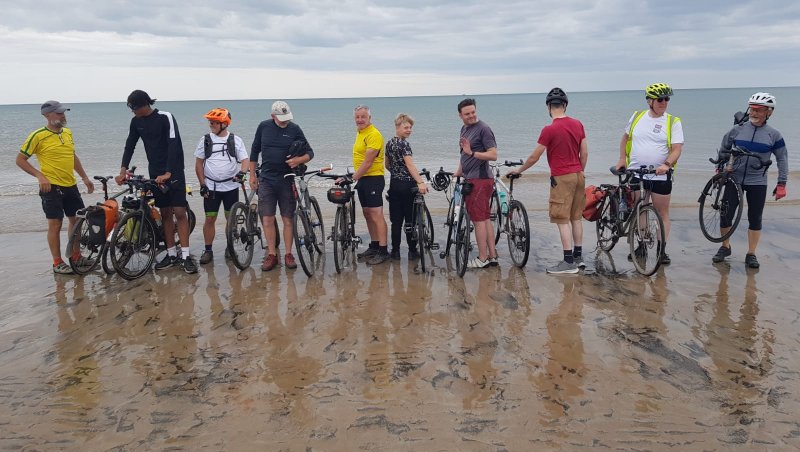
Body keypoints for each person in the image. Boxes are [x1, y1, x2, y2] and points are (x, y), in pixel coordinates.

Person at [115, 90, 197, 274]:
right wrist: (122, 170)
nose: (132, 111)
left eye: (133, 107)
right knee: (165, 213)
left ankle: (185, 256)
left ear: (144, 104)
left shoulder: (165, 117)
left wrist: (169, 171)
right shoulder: (136, 122)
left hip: (174, 171)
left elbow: (173, 144)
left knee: (180, 212)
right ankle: (170, 253)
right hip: (155, 171)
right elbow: (130, 144)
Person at [509, 88, 588, 274]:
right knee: (576, 218)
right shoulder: (578, 124)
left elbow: (534, 157)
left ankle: (568, 262)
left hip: (561, 177)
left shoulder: (549, 129)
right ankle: (578, 257)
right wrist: (580, 170)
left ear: (548, 107)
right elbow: (584, 153)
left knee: (562, 219)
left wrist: (519, 170)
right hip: (578, 175)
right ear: (565, 105)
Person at [16, 101, 95, 274]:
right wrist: (40, 176)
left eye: (63, 112)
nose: (63, 115)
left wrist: (84, 177)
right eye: (58, 113)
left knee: (76, 222)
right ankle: (57, 262)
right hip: (51, 187)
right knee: (55, 224)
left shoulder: (67, 133)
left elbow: (72, 156)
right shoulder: (37, 135)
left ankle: (76, 257)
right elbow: (20, 160)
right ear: (47, 115)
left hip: (70, 185)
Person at [711, 92, 788, 268]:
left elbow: (782, 159)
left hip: (757, 181)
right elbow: (724, 148)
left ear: (769, 112)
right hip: (733, 178)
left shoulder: (774, 135)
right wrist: (720, 168)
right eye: (752, 109)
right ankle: (725, 247)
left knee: (755, 217)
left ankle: (751, 253)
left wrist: (782, 183)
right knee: (726, 213)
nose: (753, 113)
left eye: (758, 110)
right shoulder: (737, 129)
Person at [616, 82, 683, 265]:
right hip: (637, 172)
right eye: (660, 99)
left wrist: (667, 164)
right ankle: (641, 245)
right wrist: (622, 159)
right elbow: (625, 138)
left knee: (662, 213)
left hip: (660, 175)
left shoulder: (672, 122)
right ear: (650, 101)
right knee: (639, 208)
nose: (664, 102)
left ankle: (662, 250)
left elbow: (677, 148)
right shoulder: (637, 117)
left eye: (666, 99)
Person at [249, 100, 314, 271]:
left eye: (287, 118)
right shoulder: (263, 127)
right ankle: (272, 254)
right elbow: (254, 151)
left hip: (286, 180)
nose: (285, 121)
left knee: (287, 219)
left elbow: (310, 153)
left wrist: (298, 160)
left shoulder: (295, 129)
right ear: (273, 116)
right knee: (268, 218)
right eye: (281, 118)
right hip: (266, 180)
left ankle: (288, 254)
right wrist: (252, 176)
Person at [193, 108, 250, 264]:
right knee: (210, 218)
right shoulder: (205, 140)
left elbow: (245, 161)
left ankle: (229, 247)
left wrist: (242, 173)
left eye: (214, 122)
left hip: (230, 187)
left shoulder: (235, 140)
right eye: (210, 122)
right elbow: (198, 164)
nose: (211, 124)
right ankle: (208, 250)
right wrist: (202, 184)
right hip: (211, 187)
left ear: (224, 124)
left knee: (230, 219)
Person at [453, 98, 498, 269]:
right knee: (485, 219)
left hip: (480, 180)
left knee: (478, 221)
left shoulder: (484, 129)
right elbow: (463, 154)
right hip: (471, 178)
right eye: (467, 113)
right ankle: (492, 256)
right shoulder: (464, 129)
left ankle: (482, 258)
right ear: (460, 115)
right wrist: (459, 171)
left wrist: (472, 153)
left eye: (473, 112)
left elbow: (493, 155)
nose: (471, 116)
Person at [385, 113, 428, 261]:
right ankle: (412, 251)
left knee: (396, 221)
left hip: (394, 185)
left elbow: (387, 165)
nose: (409, 130)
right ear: (398, 127)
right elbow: (410, 165)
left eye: (410, 127)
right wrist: (420, 182)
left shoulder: (389, 143)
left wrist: (397, 172)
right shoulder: (404, 144)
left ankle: (395, 252)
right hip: (407, 186)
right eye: (406, 127)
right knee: (410, 220)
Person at [352, 105, 390, 265]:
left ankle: (383, 250)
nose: (360, 120)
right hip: (363, 179)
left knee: (376, 214)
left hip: (374, 178)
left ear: (369, 118)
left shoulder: (374, 134)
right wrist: (357, 177)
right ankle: (374, 246)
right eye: (357, 117)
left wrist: (354, 176)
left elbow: (368, 162)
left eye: (363, 117)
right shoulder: (361, 133)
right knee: (367, 213)